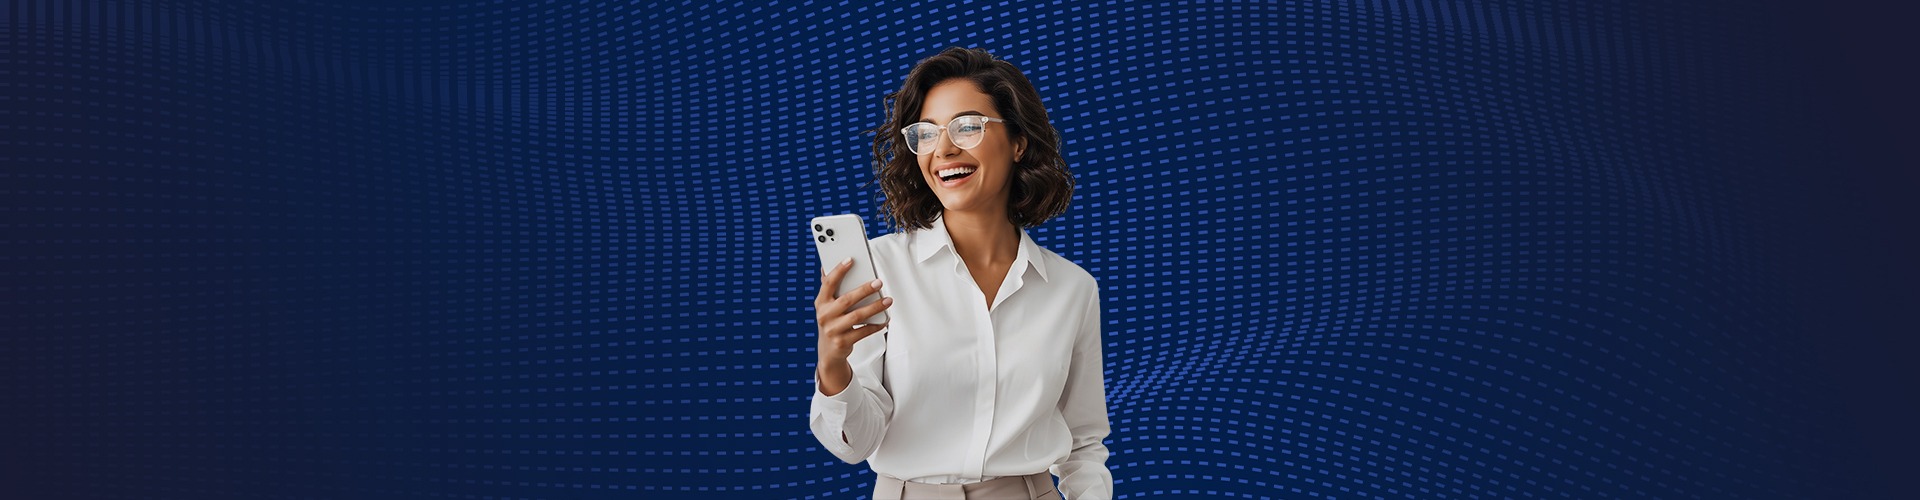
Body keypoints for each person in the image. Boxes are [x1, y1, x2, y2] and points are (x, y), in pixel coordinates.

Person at [809, 47, 1113, 500]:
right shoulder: (877, 269)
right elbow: (855, 445)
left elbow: (1084, 443)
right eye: (925, 133)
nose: (944, 148)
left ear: (1018, 141)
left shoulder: (1072, 289)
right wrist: (833, 366)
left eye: (967, 126)